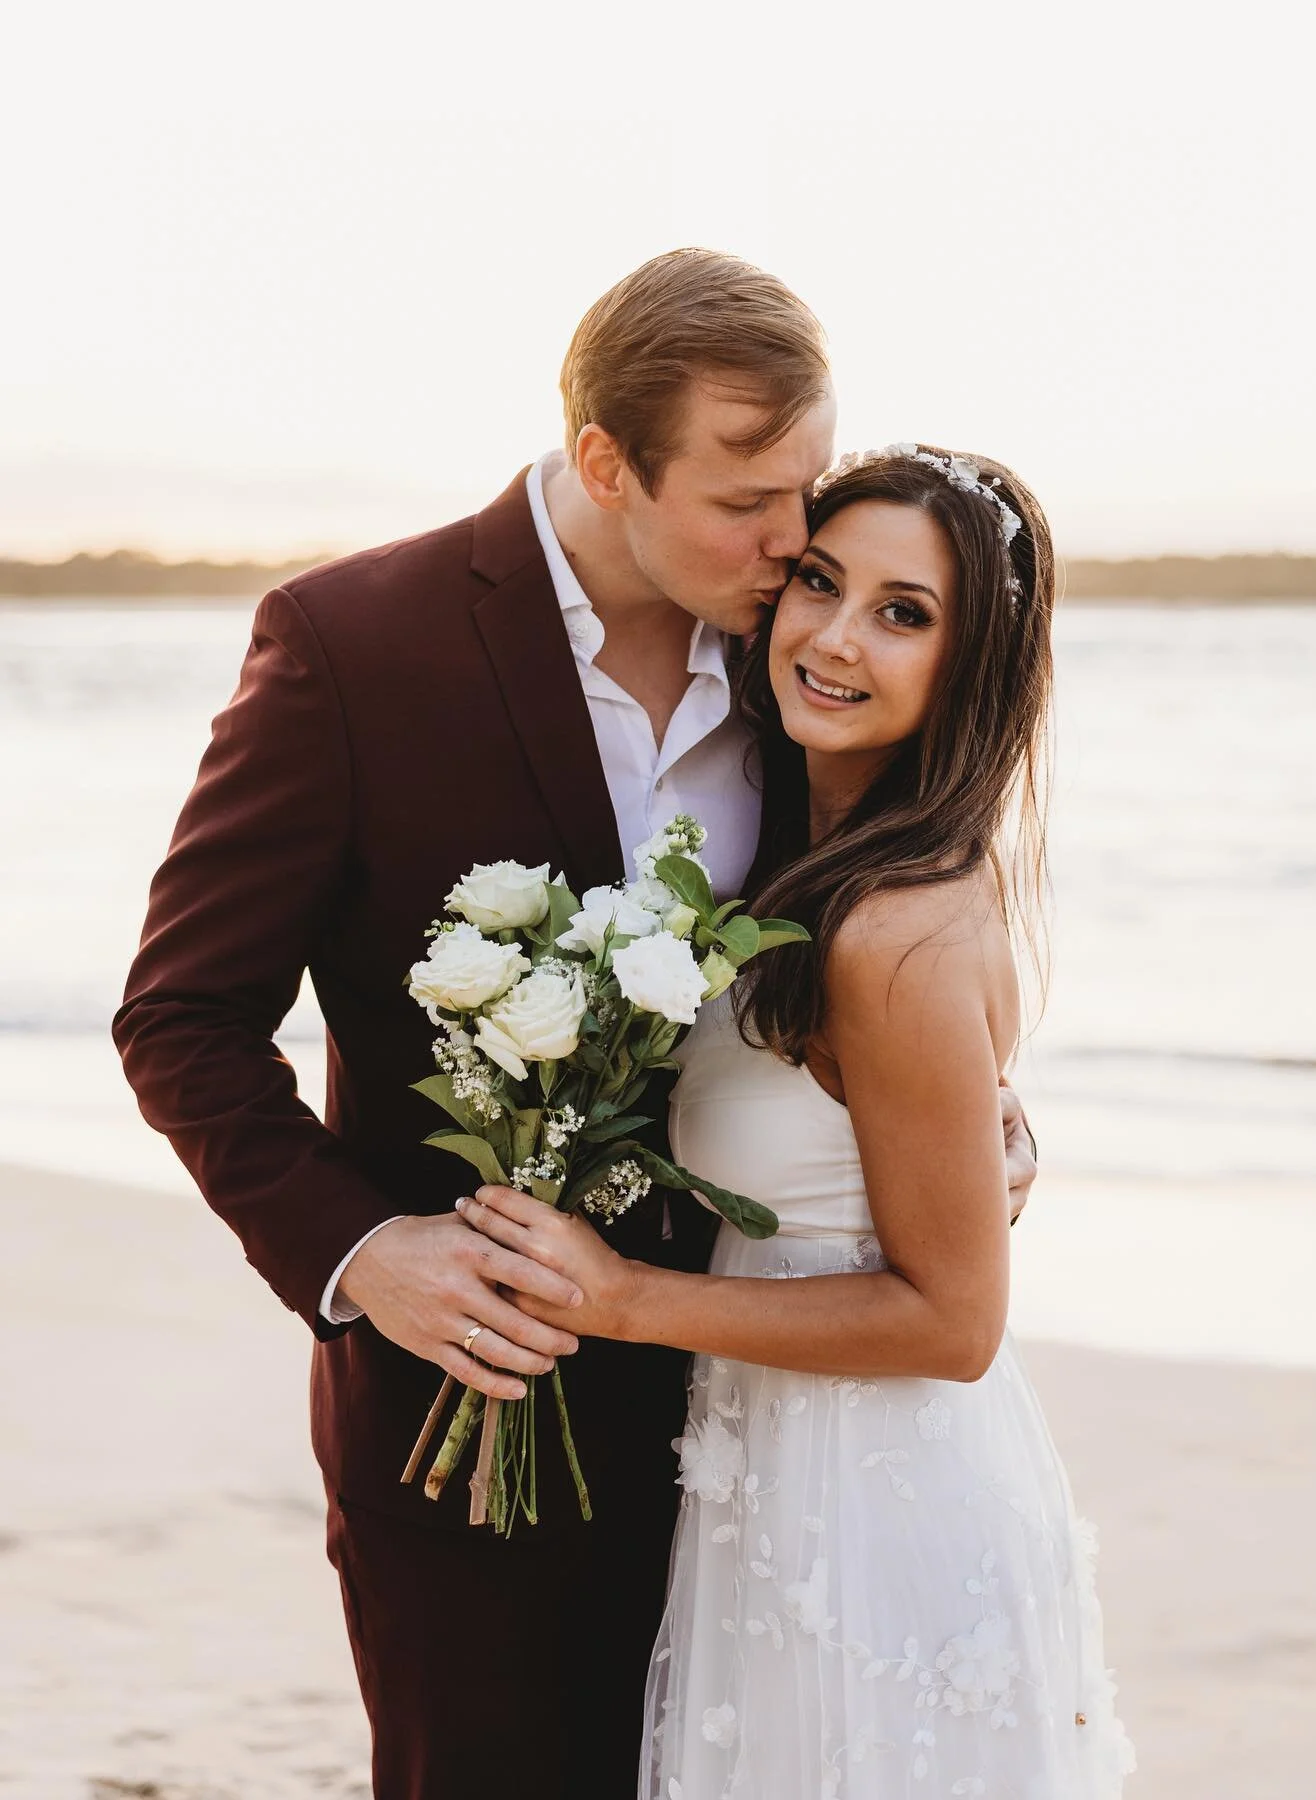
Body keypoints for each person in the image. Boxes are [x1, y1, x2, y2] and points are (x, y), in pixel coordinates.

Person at [113, 253, 1039, 1800]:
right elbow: (183, 1017)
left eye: (805, 492)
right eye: (748, 500)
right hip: (472, 1415)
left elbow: (877, 972)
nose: (791, 545)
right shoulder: (354, 644)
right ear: (608, 464)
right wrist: (364, 1256)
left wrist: (982, 1126)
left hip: (771, 1428)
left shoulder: (793, 651)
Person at [456, 445, 1135, 1796]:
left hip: (880, 1506)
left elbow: (953, 1322)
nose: (832, 638)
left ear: (973, 665)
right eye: (820, 582)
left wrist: (621, 1298)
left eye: (904, 613)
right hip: (782, 1465)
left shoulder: (891, 928)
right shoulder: (806, 865)